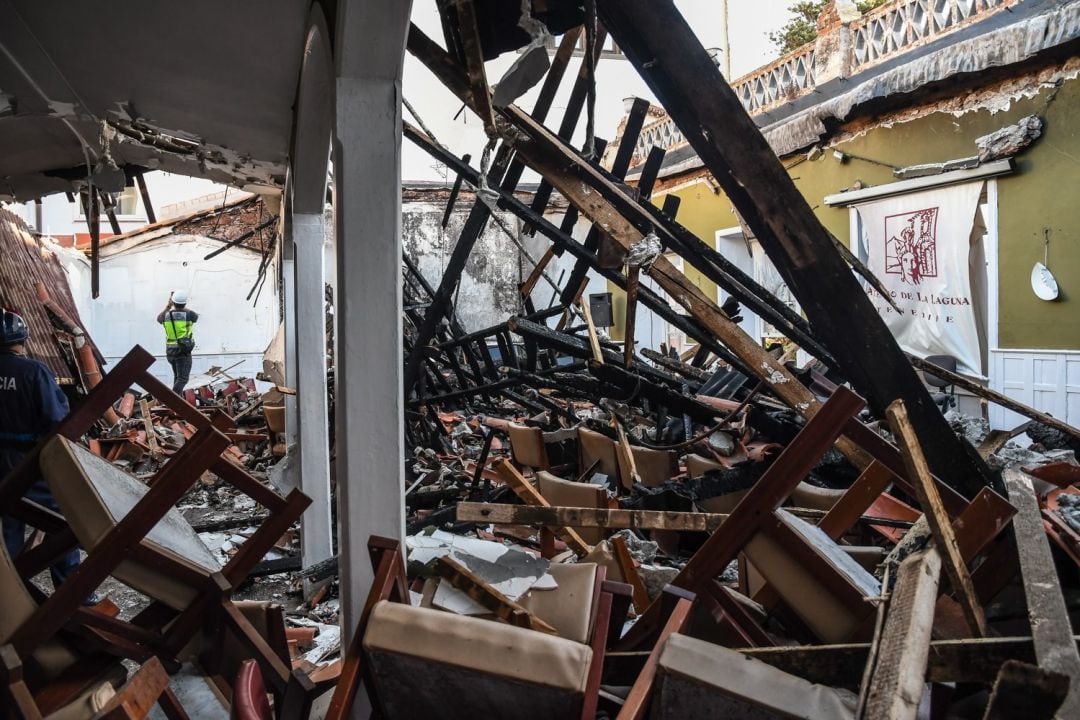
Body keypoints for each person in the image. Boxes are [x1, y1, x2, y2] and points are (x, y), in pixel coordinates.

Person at [0, 308, 81, 589]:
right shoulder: (34, 371)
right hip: (29, 459)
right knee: (59, 521)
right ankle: (71, 590)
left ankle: (10, 590)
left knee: (9, 518)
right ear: (23, 338)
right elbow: (57, 420)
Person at [157, 290, 199, 394]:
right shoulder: (189, 314)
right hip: (183, 350)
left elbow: (159, 319)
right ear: (185, 303)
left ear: (173, 302)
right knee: (182, 379)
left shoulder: (166, 315)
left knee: (177, 378)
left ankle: (178, 405)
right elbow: (195, 317)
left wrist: (169, 305)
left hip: (170, 351)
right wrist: (180, 306)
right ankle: (172, 400)